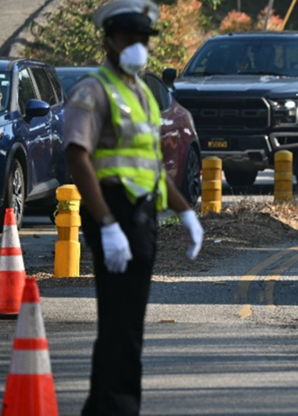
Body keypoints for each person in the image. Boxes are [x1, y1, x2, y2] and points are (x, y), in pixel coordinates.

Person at [62, 0, 204, 414]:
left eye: (143, 40)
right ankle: (114, 407)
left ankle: (111, 406)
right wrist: (105, 223)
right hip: (113, 213)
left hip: (142, 216)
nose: (138, 48)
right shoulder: (93, 89)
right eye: (129, 40)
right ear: (108, 42)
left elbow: (152, 168)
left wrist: (185, 211)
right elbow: (76, 156)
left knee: (130, 323)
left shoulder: (141, 92)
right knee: (120, 322)